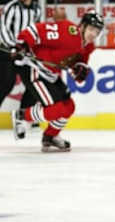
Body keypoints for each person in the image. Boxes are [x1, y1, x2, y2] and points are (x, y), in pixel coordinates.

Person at [10, 11, 104, 152]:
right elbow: (35, 30)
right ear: (83, 26)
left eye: (97, 32)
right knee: (57, 109)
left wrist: (80, 72)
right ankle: (22, 115)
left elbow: (79, 66)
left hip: (51, 75)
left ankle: (50, 136)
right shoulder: (68, 32)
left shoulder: (88, 47)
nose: (93, 34)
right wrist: (22, 44)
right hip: (35, 69)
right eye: (91, 29)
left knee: (69, 106)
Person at [0, 0, 41, 133]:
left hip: (24, 54)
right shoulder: (11, 7)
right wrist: (14, 47)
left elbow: (38, 31)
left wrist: (31, 49)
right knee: (5, 83)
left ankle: (23, 117)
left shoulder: (37, 9)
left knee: (33, 84)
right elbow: (3, 30)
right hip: (7, 52)